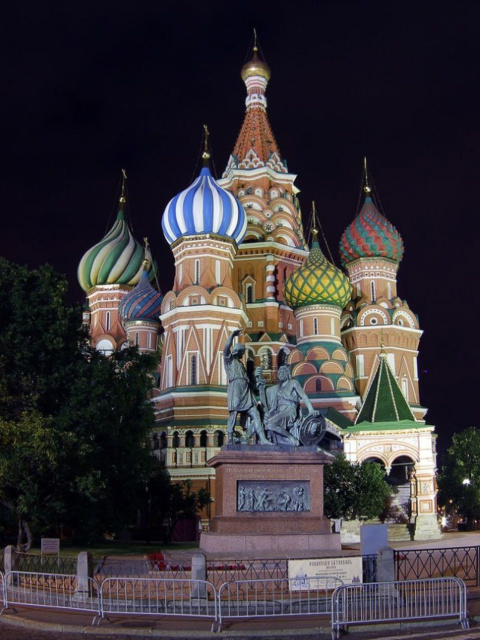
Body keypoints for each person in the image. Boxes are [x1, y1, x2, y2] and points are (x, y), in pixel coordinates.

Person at [223, 329, 271, 445]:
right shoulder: (229, 360)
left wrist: (256, 376)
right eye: (242, 352)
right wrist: (232, 335)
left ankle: (263, 439)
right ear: (237, 351)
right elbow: (225, 348)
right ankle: (230, 436)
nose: (242, 355)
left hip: (246, 392)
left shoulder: (241, 365)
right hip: (236, 390)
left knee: (256, 414)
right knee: (233, 414)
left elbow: (250, 382)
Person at [258, 365, 318, 445]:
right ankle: (255, 439)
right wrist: (261, 387)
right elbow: (264, 395)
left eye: (283, 372)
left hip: (289, 411)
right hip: (278, 411)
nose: (281, 374)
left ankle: (291, 437)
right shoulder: (276, 388)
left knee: (270, 424)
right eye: (279, 372)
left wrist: (311, 409)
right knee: (260, 419)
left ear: (287, 374)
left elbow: (303, 396)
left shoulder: (293, 383)